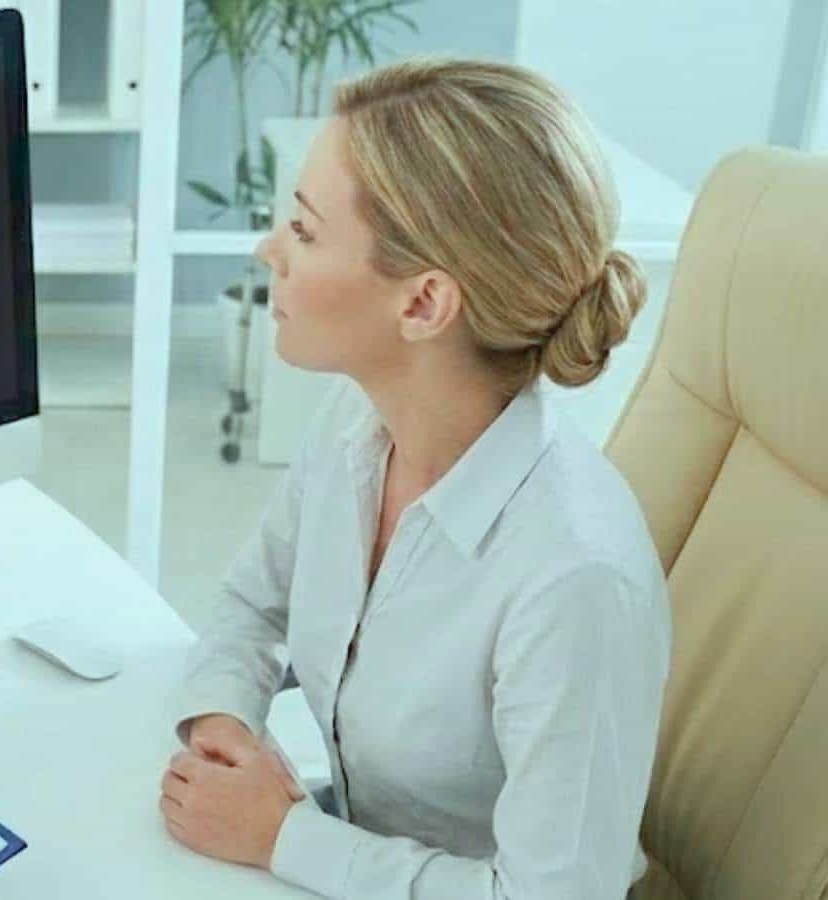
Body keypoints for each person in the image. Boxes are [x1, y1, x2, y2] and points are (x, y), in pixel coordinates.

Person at [157, 58, 672, 898]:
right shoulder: (357, 427)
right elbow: (255, 604)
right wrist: (225, 720)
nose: (267, 250)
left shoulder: (574, 578)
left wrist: (284, 837)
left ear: (424, 305)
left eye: (305, 231)